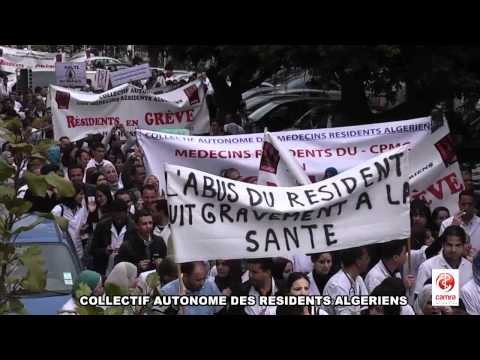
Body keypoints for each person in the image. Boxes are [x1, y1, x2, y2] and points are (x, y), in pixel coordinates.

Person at [415, 225, 473, 297]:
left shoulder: (470, 268)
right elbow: (418, 299)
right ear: (443, 244)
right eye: (449, 245)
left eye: (457, 245)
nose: (453, 250)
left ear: (463, 245)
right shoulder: (428, 267)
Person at [115, 209, 167, 273]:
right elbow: (118, 268)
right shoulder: (128, 245)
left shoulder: (159, 241)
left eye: (150, 223)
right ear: (137, 226)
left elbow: (166, 261)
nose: (148, 226)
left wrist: (163, 263)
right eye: (144, 224)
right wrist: (137, 267)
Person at [322, 246, 370, 315]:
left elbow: (365, 307)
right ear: (358, 261)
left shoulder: (359, 279)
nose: (369, 260)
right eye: (366, 258)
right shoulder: (337, 285)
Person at [90, 199, 133, 276]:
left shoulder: (133, 228)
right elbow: (93, 249)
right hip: (105, 269)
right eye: (116, 217)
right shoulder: (102, 226)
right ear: (112, 214)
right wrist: (104, 251)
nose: (119, 219)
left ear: (126, 213)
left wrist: (123, 251)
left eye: (121, 216)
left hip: (126, 270)